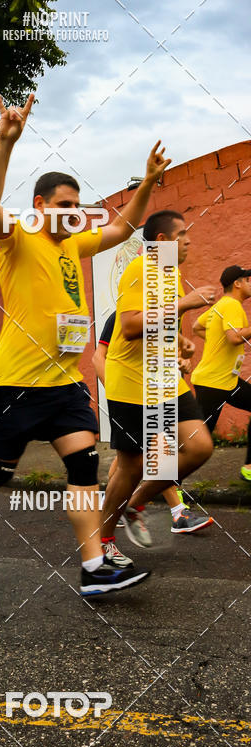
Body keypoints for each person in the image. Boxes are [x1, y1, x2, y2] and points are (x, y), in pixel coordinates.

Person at [0, 91, 169, 596]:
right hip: (16, 383)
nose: (73, 215)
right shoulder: (18, 237)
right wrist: (5, 141)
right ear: (40, 205)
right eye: (64, 207)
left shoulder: (75, 244)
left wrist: (149, 182)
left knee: (84, 468)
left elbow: (124, 226)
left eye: (78, 208)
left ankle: (92, 568)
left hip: (67, 383)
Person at [101, 210, 215, 544]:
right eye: (181, 235)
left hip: (164, 379)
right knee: (130, 467)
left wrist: (180, 345)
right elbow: (131, 326)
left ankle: (135, 505)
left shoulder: (171, 274)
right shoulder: (140, 268)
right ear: (162, 242)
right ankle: (102, 545)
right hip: (132, 382)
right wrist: (183, 305)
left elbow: (158, 327)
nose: (189, 241)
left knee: (199, 447)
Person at [93, 302, 212, 555]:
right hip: (129, 394)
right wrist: (116, 392)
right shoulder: (121, 317)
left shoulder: (160, 319)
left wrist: (179, 363)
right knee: (144, 459)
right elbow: (97, 358)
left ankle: (120, 507)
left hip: (158, 395)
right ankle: (167, 512)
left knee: (139, 461)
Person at [191, 265, 251, 481]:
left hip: (227, 380)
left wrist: (215, 343)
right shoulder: (232, 305)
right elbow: (235, 337)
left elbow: (197, 326)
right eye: (248, 280)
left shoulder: (220, 305)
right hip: (213, 384)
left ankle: (249, 467)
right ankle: (170, 484)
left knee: (198, 440)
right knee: (198, 444)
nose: (250, 284)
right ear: (237, 284)